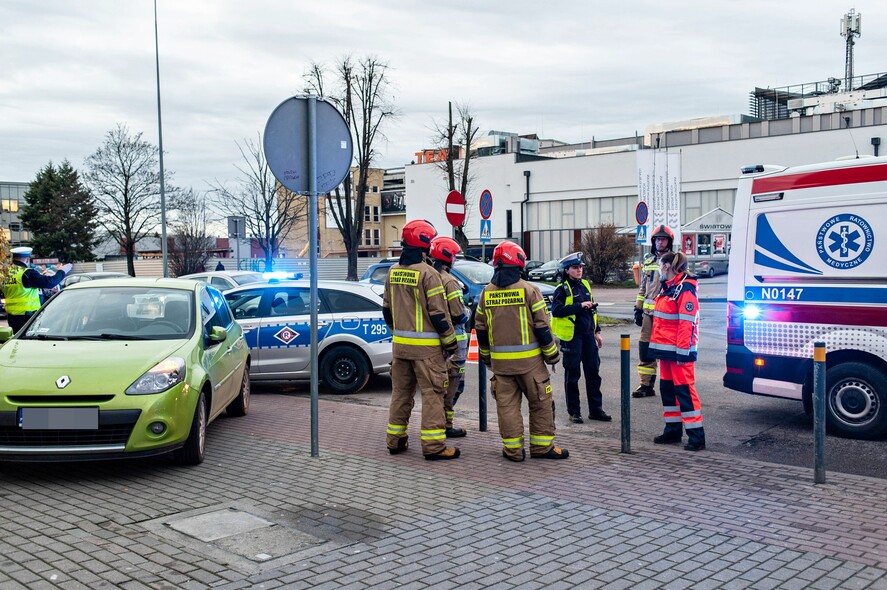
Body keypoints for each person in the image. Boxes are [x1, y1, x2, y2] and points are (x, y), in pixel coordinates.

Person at [475, 240, 567, 462]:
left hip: (501, 366)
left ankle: (513, 451)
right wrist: (552, 355)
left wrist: (488, 360)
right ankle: (542, 447)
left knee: (507, 409)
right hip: (531, 364)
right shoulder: (529, 290)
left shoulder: (486, 293)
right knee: (541, 404)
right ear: (518, 263)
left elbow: (480, 330)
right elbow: (543, 328)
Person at [383, 220, 461, 461]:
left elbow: (387, 310)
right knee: (433, 395)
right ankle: (434, 446)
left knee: (401, 394)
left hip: (400, 348)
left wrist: (399, 332)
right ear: (425, 245)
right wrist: (450, 344)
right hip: (427, 351)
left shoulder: (393, 271)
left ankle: (395, 441)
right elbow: (439, 314)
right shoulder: (429, 274)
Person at [647, 251, 705, 451]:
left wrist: (682, 352)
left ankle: (696, 436)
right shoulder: (669, 288)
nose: (659, 271)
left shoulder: (685, 289)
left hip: (680, 353)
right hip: (667, 352)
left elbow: (686, 324)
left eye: (660, 267)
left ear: (667, 267)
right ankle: (672, 430)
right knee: (669, 392)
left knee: (685, 392)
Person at [551, 252, 611, 424]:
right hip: (572, 337)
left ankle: (596, 410)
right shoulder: (561, 289)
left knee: (593, 373)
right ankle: (574, 412)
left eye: (581, 267)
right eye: (576, 268)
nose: (579, 271)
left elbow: (593, 310)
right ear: (567, 270)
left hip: (588, 335)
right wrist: (578, 306)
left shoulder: (585, 285)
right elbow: (557, 310)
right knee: (573, 376)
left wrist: (597, 332)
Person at [428, 236, 470, 438]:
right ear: (447, 257)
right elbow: (459, 314)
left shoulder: (429, 276)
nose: (455, 260)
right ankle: (446, 424)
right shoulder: (450, 282)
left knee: (439, 383)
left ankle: (441, 422)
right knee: (454, 383)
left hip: (435, 340)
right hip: (455, 340)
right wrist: (468, 312)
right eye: (454, 257)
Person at [632, 224, 675, 398]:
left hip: (667, 315)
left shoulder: (675, 261)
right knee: (645, 349)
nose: (660, 242)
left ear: (669, 242)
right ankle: (646, 385)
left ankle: (670, 383)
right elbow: (643, 287)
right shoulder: (649, 262)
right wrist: (638, 308)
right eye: (657, 239)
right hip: (649, 316)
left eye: (663, 239)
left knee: (666, 350)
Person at [2, 247, 72, 334]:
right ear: (27, 259)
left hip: (12, 317)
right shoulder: (27, 273)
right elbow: (50, 283)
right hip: (27, 316)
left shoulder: (5, 274)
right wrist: (62, 271)